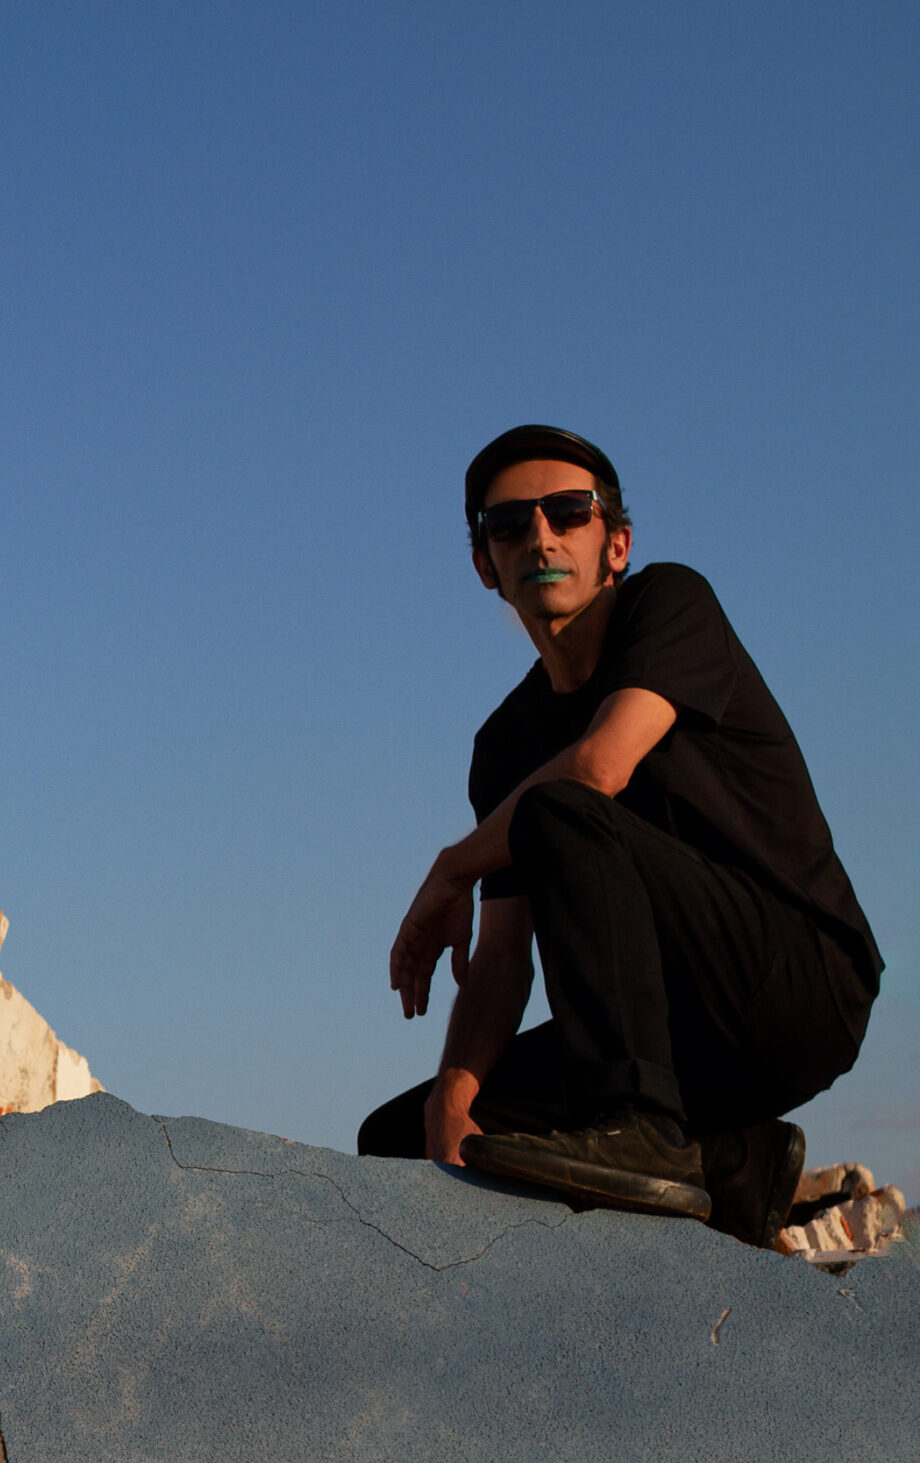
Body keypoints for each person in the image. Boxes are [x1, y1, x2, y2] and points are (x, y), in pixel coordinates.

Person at [365, 425, 879, 1246]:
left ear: (616, 544)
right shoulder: (503, 746)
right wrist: (451, 1099)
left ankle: (642, 1128)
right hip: (665, 1034)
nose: (541, 537)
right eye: (509, 525)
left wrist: (452, 867)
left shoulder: (670, 604)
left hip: (799, 984)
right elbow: (502, 959)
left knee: (560, 807)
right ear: (485, 565)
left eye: (569, 512)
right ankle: (735, 1163)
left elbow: (600, 766)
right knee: (406, 1142)